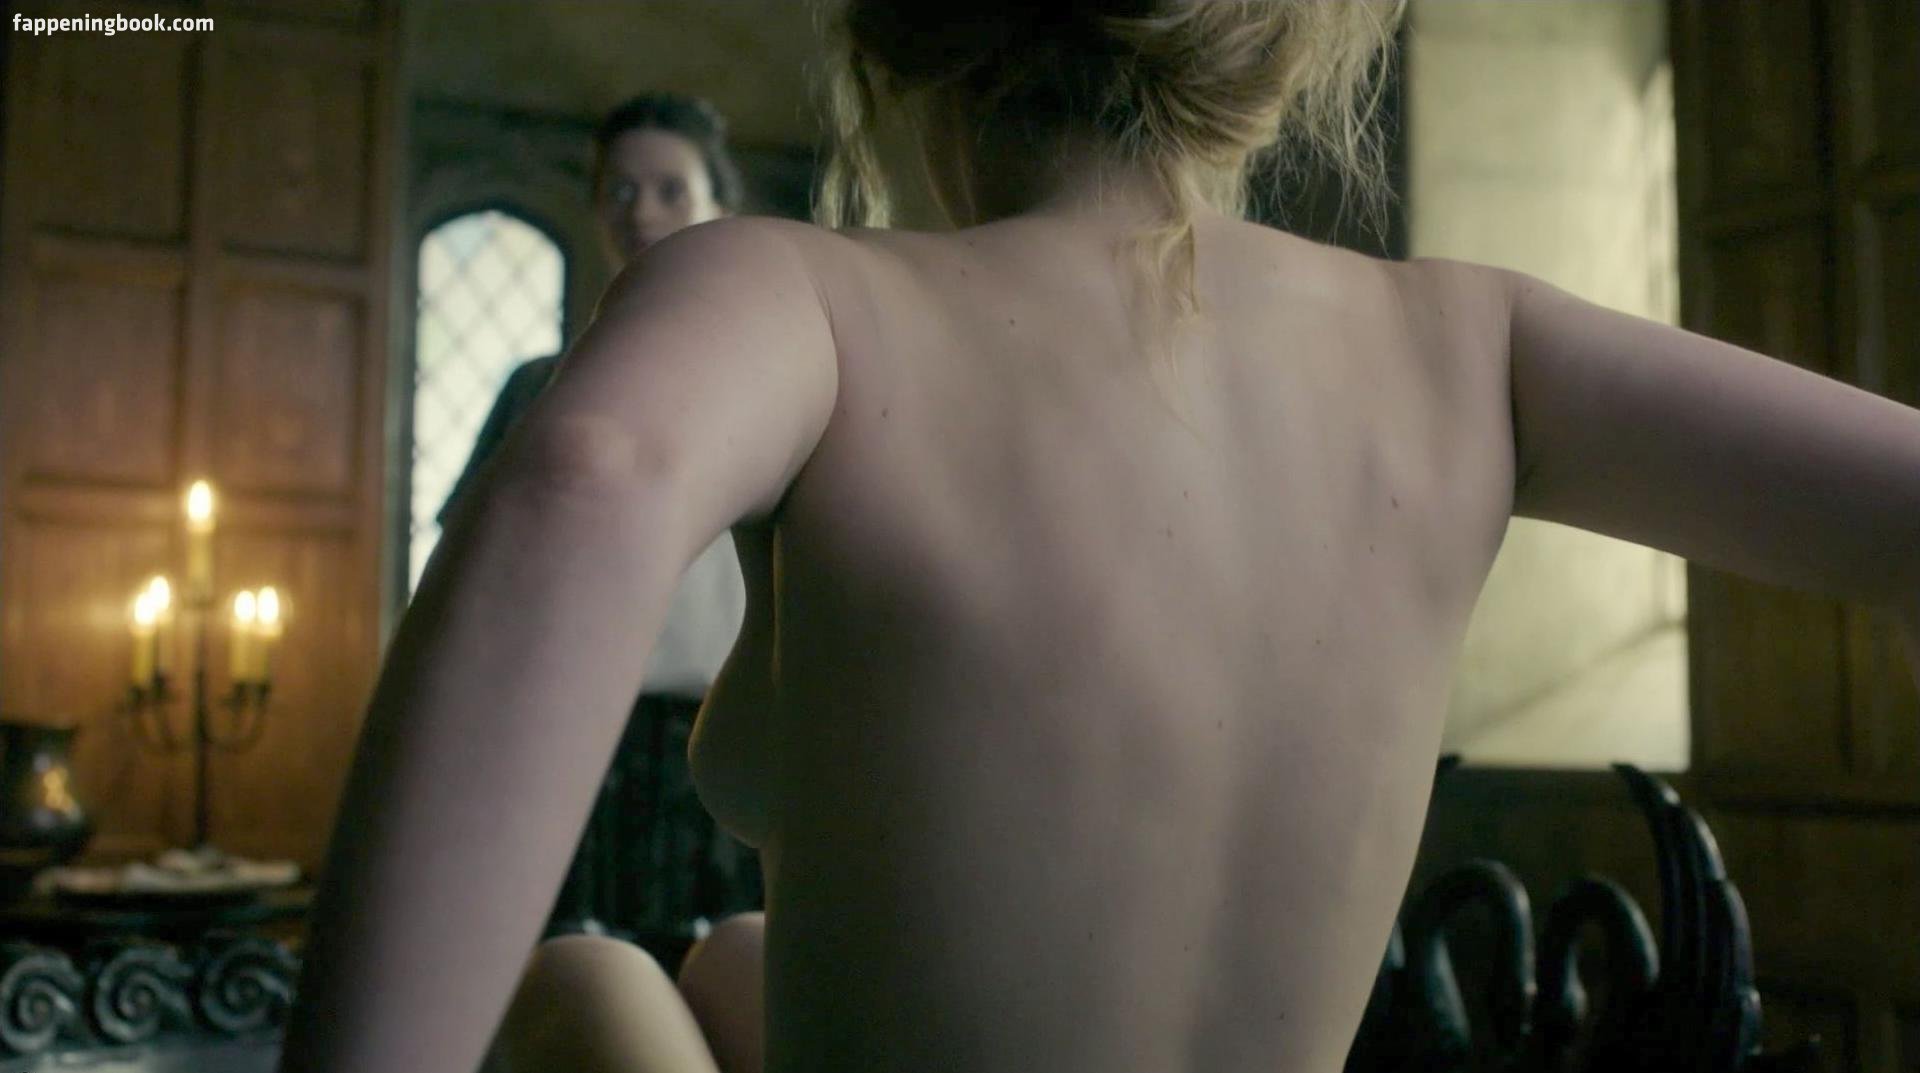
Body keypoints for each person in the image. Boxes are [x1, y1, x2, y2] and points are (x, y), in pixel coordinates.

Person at [283, 2, 1920, 1072]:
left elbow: (585, 473)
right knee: (734, 957)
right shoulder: (1474, 348)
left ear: (893, 44)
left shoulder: (803, 297)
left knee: (589, 980)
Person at [437, 92, 765, 943]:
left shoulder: (773, 385)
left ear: (719, 205)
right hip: (564, 729)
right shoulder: (537, 387)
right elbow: (467, 563)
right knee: (569, 964)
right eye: (620, 191)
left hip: (725, 742)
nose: (642, 212)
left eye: (670, 190)